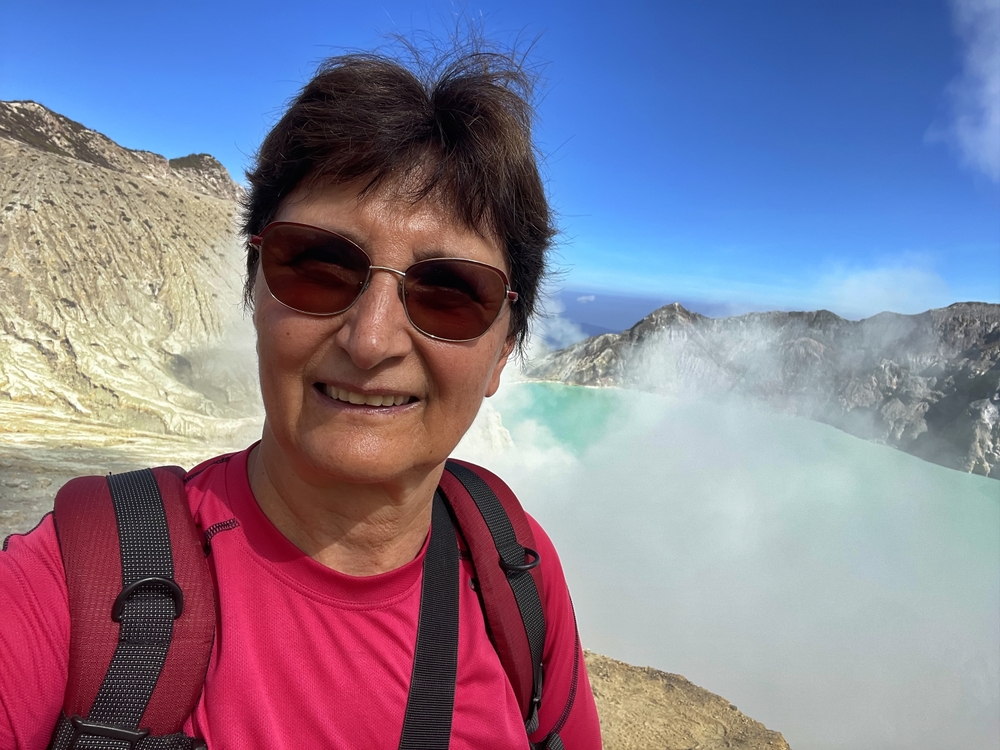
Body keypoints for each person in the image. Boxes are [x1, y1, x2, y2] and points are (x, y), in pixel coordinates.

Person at [0, 44, 602, 748]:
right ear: (253, 291)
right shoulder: (74, 586)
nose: (372, 340)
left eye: (449, 293)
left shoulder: (518, 568)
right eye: (318, 266)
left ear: (503, 351)